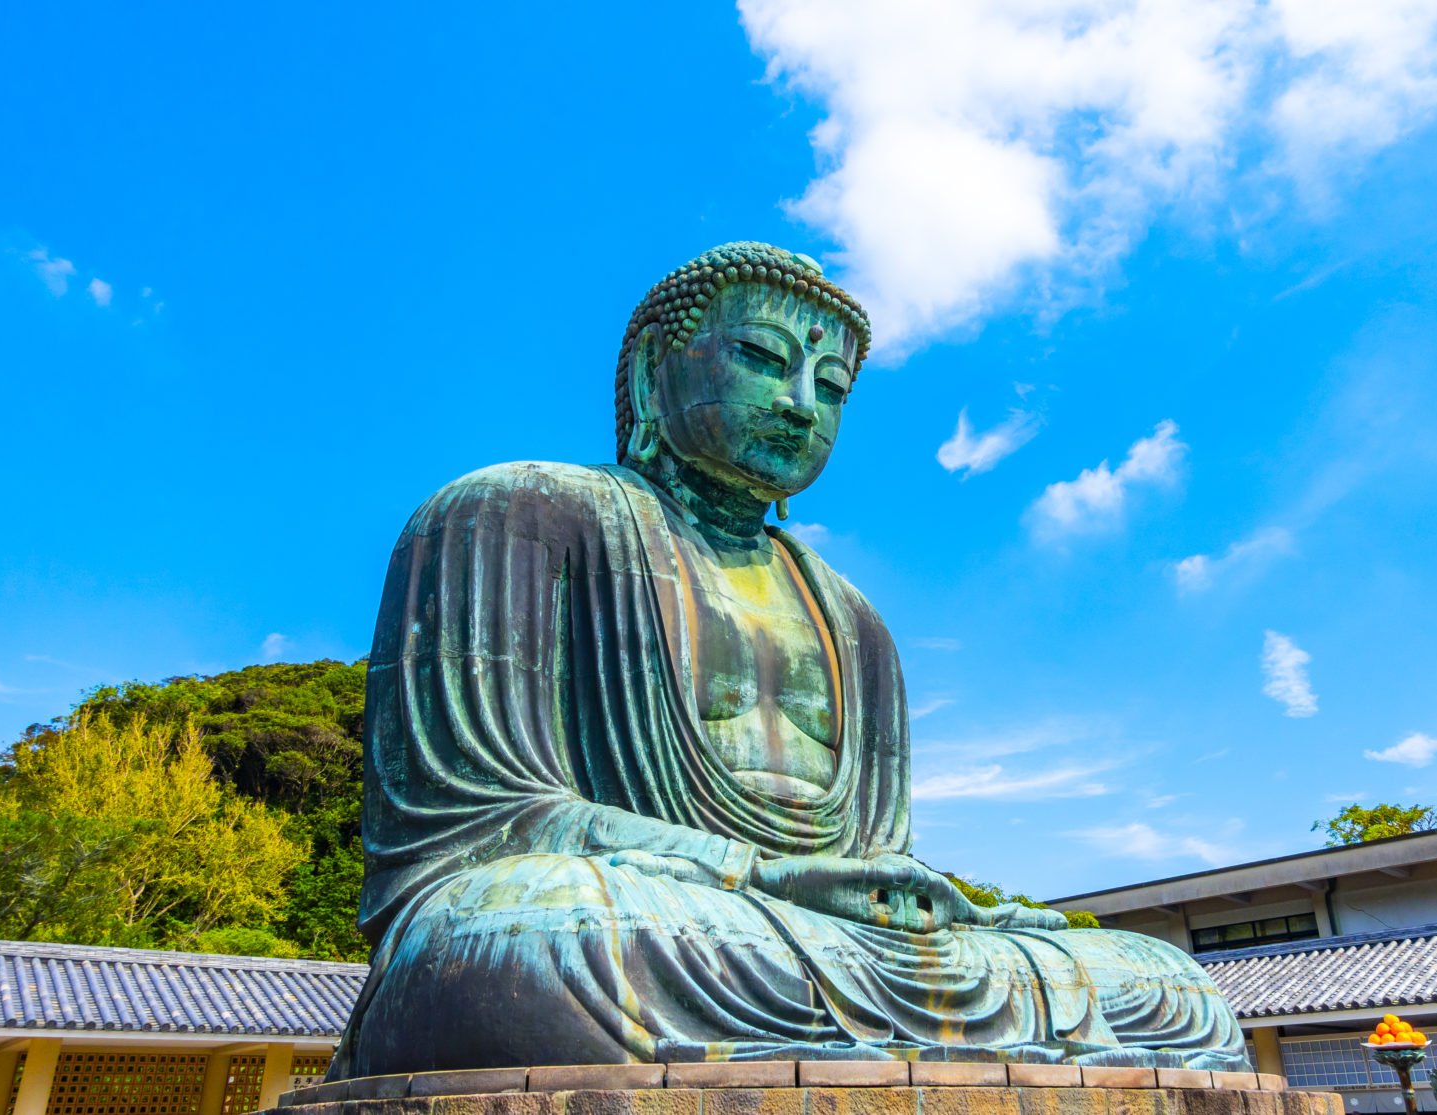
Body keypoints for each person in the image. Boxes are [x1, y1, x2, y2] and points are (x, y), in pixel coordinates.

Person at [328, 243, 1247, 1077]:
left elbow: (877, 858)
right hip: (647, 916)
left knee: (1169, 985)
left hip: (812, 942)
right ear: (654, 373)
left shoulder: (857, 621)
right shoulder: (514, 515)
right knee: (523, 943)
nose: (800, 404)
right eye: (763, 359)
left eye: (833, 387)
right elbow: (478, 830)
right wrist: (756, 874)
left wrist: (936, 913)